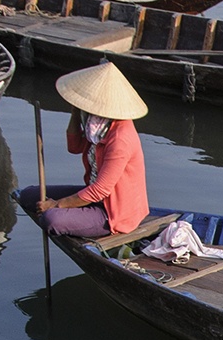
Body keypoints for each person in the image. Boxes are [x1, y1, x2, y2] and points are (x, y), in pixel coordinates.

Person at [20, 62, 152, 240]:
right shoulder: (95, 125)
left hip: (113, 211)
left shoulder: (120, 138)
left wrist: (57, 205)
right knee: (28, 196)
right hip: (95, 196)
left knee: (51, 219)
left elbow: (100, 190)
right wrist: (75, 111)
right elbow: (74, 147)